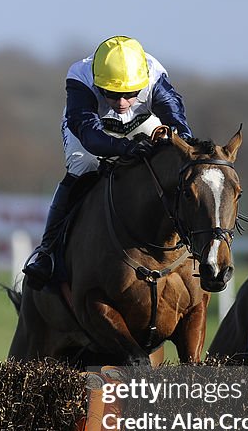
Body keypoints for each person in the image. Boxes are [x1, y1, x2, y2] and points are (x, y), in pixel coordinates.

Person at [22, 36, 192, 290]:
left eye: (130, 94)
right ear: (99, 84)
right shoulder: (80, 76)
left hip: (142, 120)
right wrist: (126, 148)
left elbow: (180, 128)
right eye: (113, 94)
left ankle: (194, 239)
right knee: (84, 165)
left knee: (171, 159)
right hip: (93, 127)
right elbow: (89, 134)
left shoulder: (154, 75)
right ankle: (48, 251)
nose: (122, 103)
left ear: (142, 84)